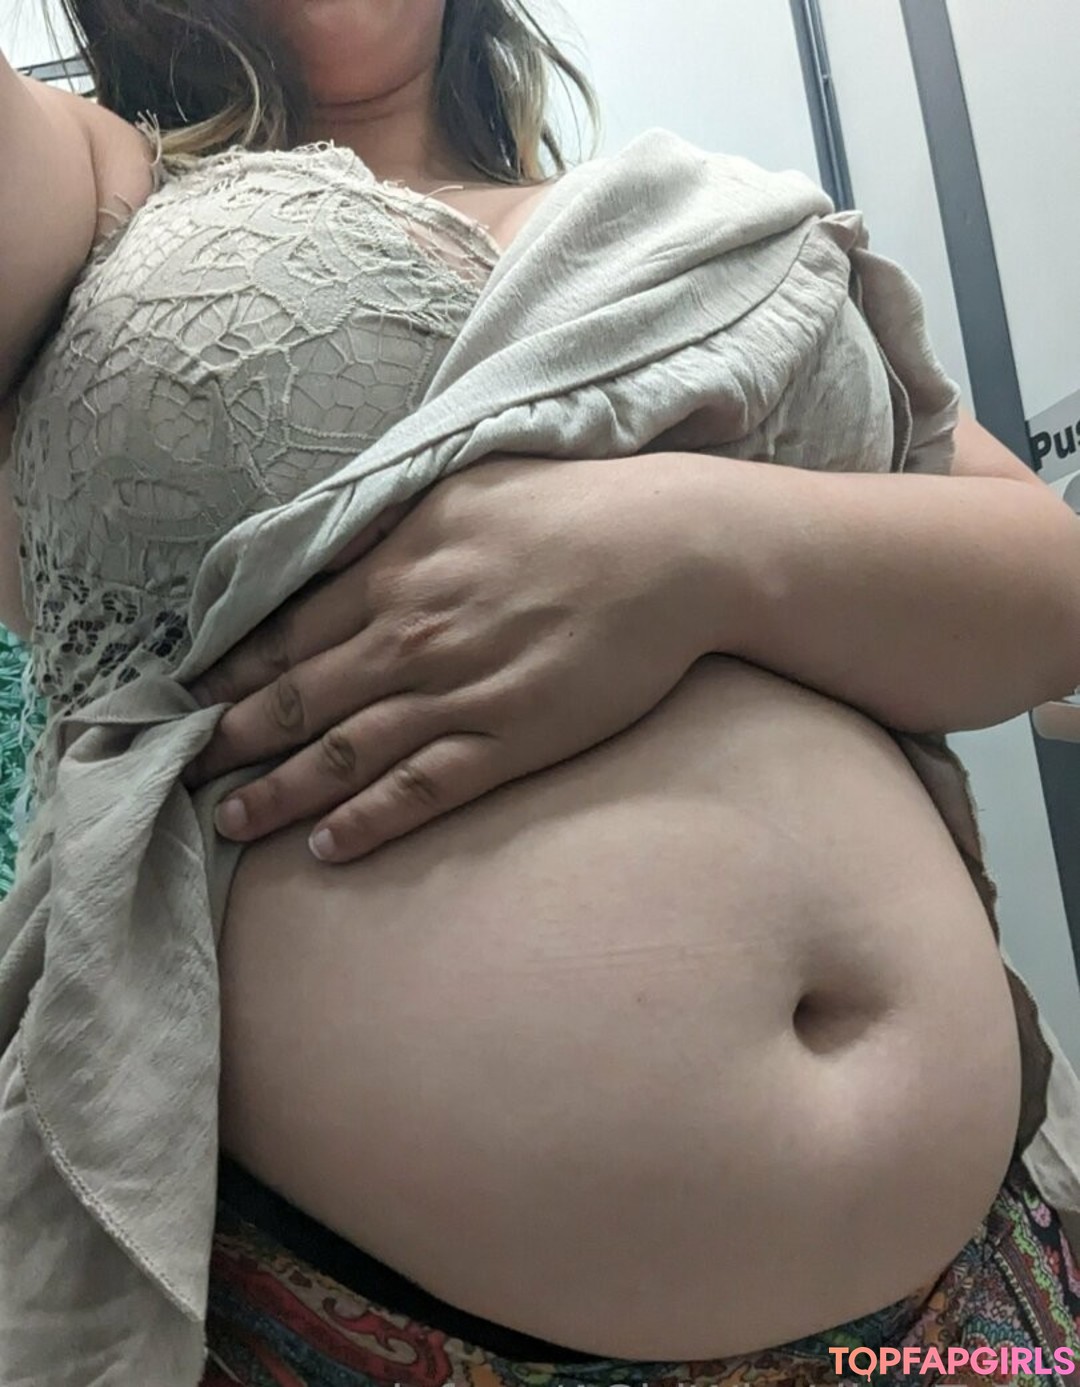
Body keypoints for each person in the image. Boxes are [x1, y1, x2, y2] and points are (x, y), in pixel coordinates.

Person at [2, 2, 1080, 1384]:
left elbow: (1052, 586)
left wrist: (704, 551)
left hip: (974, 1304)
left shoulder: (706, 220)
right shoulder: (93, 181)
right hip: (345, 1323)